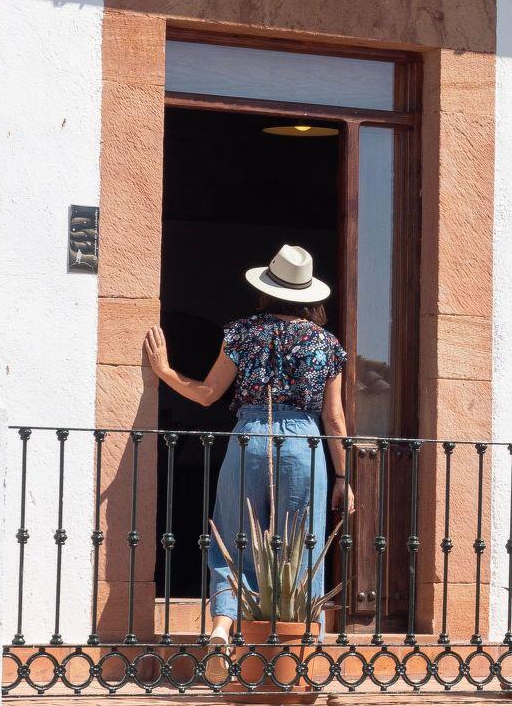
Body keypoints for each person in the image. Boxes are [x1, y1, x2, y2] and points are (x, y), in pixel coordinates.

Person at [143, 244, 354, 653]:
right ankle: (301, 640)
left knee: (234, 535)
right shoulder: (326, 345)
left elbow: (208, 394)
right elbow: (334, 419)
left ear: (267, 289)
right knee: (304, 541)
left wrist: (165, 372)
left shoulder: (242, 333)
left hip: (250, 435)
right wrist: (343, 476)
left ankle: (222, 626)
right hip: (304, 442)